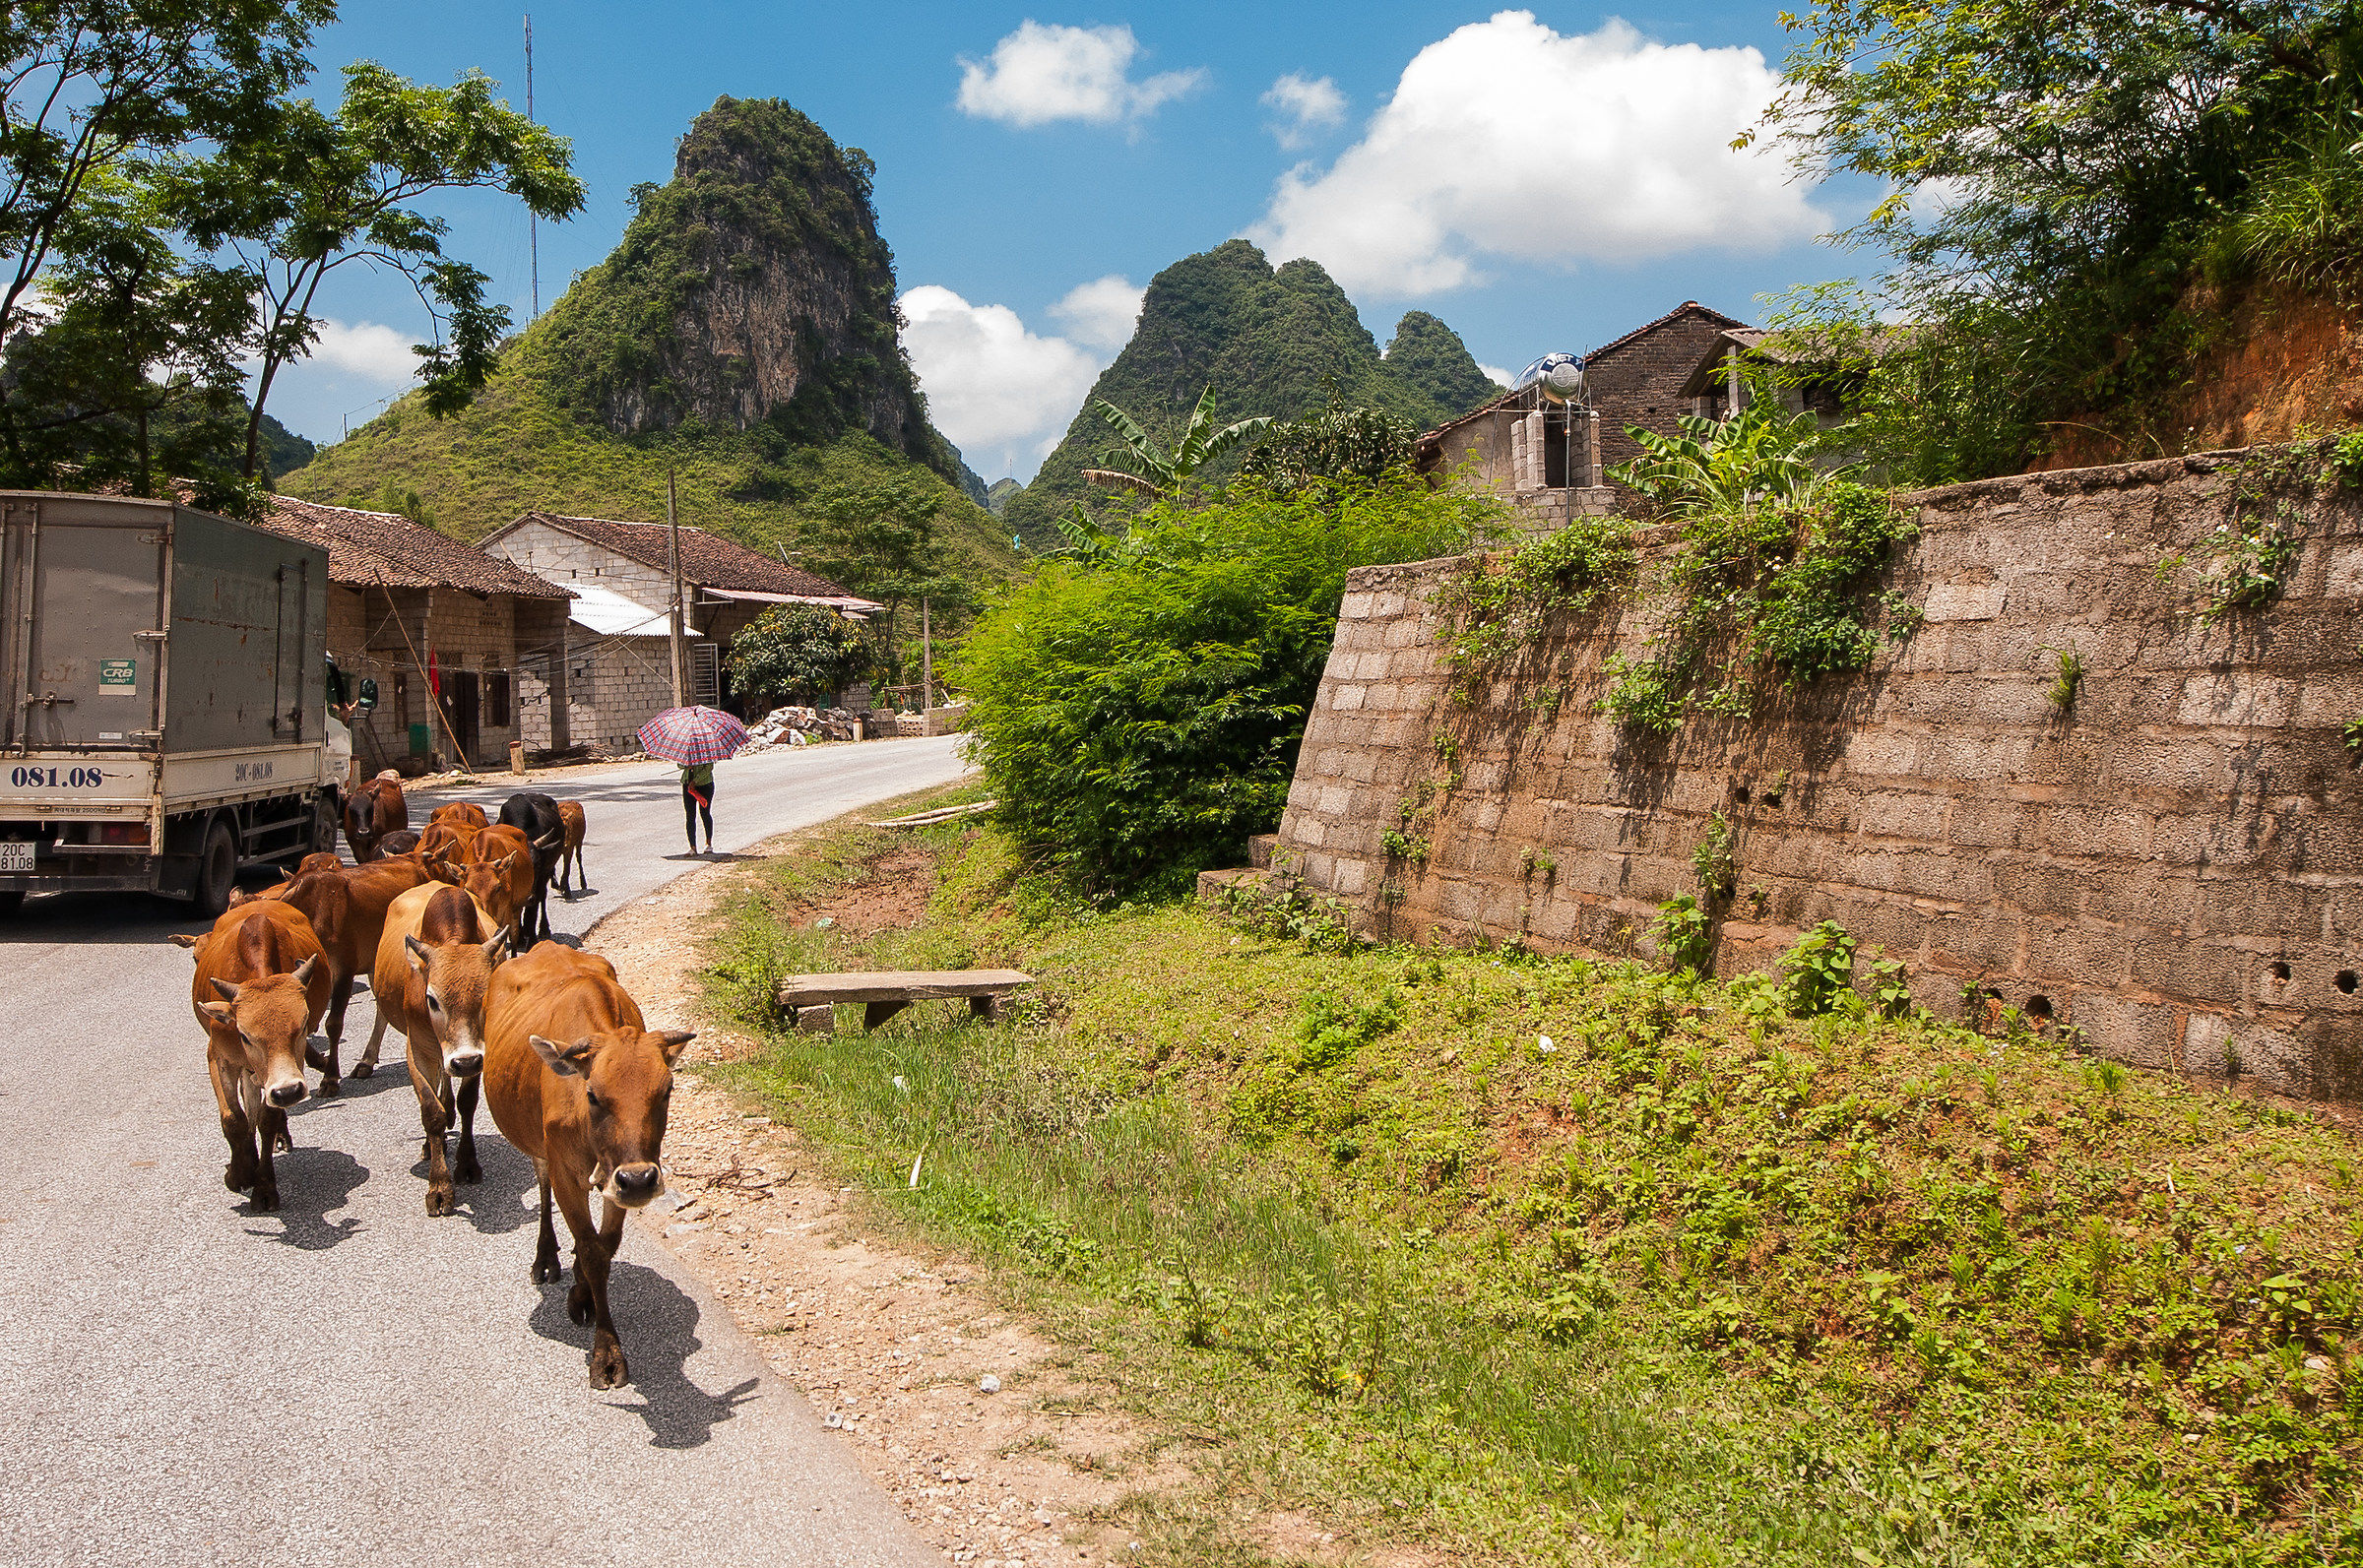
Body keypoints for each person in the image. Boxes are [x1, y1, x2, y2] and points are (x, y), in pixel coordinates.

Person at [680, 761, 715, 854]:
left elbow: (709, 767)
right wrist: (686, 765)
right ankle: (692, 847)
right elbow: (679, 765)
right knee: (690, 815)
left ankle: (708, 843)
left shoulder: (706, 749)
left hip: (705, 785)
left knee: (705, 813)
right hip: (688, 785)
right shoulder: (686, 749)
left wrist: (695, 781)